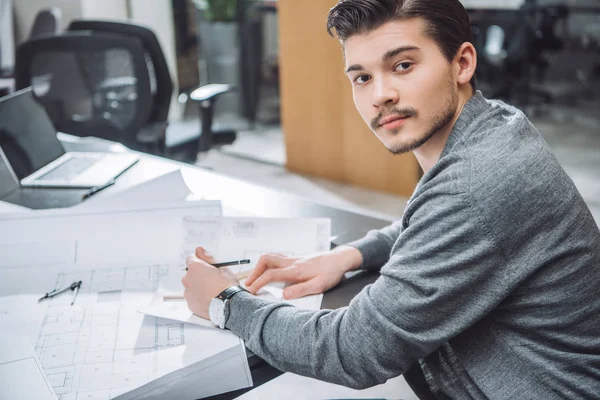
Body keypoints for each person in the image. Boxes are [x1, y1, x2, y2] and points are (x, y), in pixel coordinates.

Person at [181, 0, 600, 398]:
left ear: (462, 63)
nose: (380, 95)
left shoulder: (475, 184)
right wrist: (348, 256)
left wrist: (224, 303)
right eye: (362, 77)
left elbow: (354, 351)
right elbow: (430, 222)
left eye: (402, 65)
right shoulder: (495, 126)